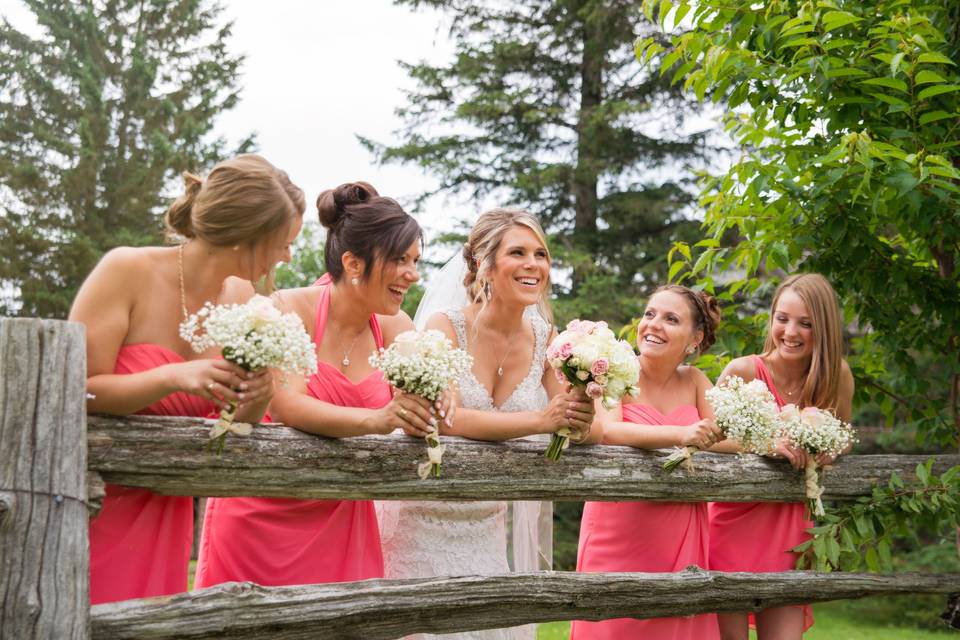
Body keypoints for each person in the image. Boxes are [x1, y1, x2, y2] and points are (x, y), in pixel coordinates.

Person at [70, 154, 304, 604]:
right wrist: (172, 376)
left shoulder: (244, 299)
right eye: (283, 242)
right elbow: (79, 390)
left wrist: (258, 395)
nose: (288, 256)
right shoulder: (127, 271)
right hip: (93, 498)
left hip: (167, 503)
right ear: (247, 236)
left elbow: (239, 420)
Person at [194, 181, 438, 588]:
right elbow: (287, 404)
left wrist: (424, 411)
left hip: (343, 519)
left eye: (415, 260)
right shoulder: (289, 308)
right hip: (262, 512)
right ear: (354, 263)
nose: (412, 275)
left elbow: (419, 404)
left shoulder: (398, 327)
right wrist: (378, 419)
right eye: (400, 260)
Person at [377, 208, 595, 640]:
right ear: (484, 264)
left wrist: (583, 412)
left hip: (487, 528)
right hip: (422, 524)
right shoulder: (446, 327)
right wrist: (539, 419)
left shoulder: (545, 337)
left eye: (541, 254)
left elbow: (574, 421)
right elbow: (444, 418)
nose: (534, 264)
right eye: (518, 252)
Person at [571, 285, 723, 640]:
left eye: (671, 319)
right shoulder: (617, 373)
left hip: (680, 529)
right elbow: (609, 430)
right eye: (650, 314)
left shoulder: (696, 381)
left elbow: (723, 435)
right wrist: (682, 434)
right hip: (616, 527)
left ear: (694, 338)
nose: (653, 325)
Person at [709, 273, 855, 640]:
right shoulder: (743, 371)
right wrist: (765, 443)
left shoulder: (836, 375)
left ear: (823, 328)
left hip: (790, 528)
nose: (790, 332)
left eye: (805, 324)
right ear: (771, 318)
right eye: (782, 318)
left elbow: (845, 435)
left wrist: (831, 447)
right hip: (732, 525)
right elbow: (708, 438)